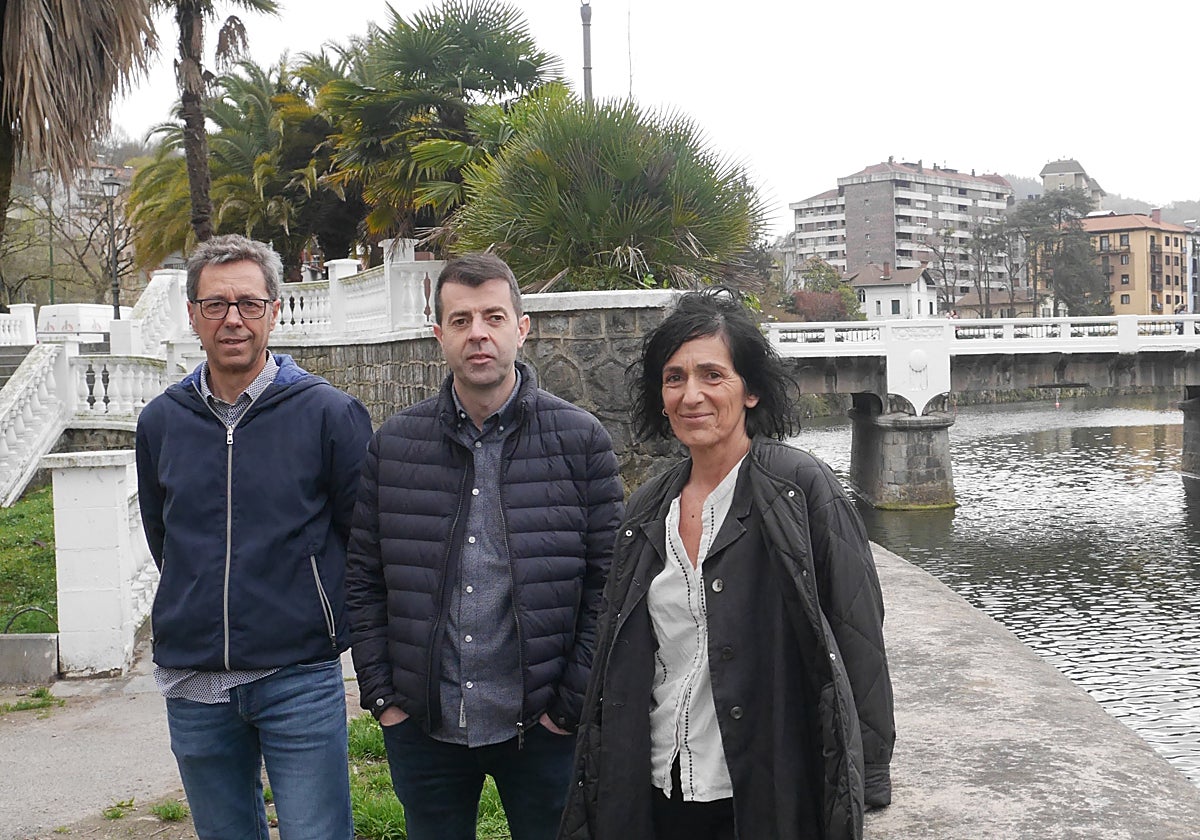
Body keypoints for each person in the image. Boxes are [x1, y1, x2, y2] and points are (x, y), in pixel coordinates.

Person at [560, 287, 895, 840]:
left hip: (762, 790)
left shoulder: (800, 489)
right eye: (674, 378)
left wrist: (870, 776)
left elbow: (857, 634)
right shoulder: (648, 509)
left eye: (712, 375)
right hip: (658, 788)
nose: (691, 395)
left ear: (751, 390)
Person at [346, 252, 624, 840]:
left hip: (544, 727)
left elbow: (610, 585)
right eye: (461, 319)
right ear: (438, 335)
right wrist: (385, 700)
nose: (478, 333)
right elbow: (364, 580)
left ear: (521, 329)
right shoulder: (393, 447)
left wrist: (568, 708)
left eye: (494, 317)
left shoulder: (581, 442)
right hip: (424, 725)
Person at [135, 234, 373, 840]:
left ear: (274, 309)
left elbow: (361, 538)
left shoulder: (328, 413)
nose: (233, 318)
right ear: (193, 314)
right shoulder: (161, 421)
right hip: (194, 680)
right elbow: (165, 538)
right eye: (215, 304)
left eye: (248, 302)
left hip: (298, 674)